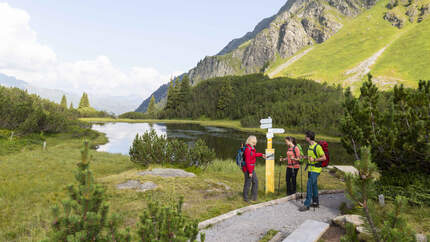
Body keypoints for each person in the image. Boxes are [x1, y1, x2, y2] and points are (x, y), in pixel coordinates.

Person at [299, 130, 326, 211]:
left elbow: (324, 158)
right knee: (314, 186)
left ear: (309, 137)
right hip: (310, 169)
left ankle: (306, 205)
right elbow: (310, 156)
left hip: (316, 169)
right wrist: (304, 157)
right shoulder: (309, 146)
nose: (304, 137)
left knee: (309, 185)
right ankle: (315, 203)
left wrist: (314, 159)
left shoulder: (317, 147)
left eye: (305, 136)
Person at [243, 135, 265, 202]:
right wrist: (250, 172)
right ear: (250, 141)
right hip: (248, 169)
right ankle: (246, 198)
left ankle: (253, 197)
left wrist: (261, 154)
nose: (255, 143)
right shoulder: (248, 149)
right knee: (248, 183)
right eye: (253, 142)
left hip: (251, 168)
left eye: (255, 142)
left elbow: (254, 154)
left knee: (255, 182)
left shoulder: (251, 148)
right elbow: (247, 162)